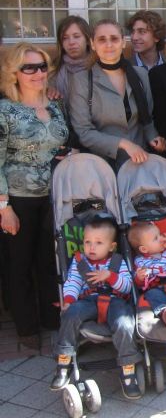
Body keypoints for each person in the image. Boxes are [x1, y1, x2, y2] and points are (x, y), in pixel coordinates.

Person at [0, 43, 70, 350]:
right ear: (14, 73)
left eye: (42, 67)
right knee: (20, 264)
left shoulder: (54, 104)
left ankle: (52, 319)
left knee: (48, 260)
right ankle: (26, 326)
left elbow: (58, 143)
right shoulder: (5, 110)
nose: (37, 73)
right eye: (29, 67)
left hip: (53, 195)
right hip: (18, 198)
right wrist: (4, 207)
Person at [49, 217, 142, 399]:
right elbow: (73, 282)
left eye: (98, 243)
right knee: (70, 314)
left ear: (111, 246)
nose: (91, 247)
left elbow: (126, 286)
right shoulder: (80, 261)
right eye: (87, 242)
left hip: (115, 301)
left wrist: (110, 276)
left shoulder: (118, 261)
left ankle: (128, 369)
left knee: (124, 323)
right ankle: (64, 362)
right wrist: (69, 300)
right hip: (89, 300)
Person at [69, 19, 165, 167]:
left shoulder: (140, 75)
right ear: (93, 44)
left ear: (123, 42)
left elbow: (147, 119)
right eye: (102, 40)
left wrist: (154, 138)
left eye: (114, 39)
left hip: (139, 163)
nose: (109, 45)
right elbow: (84, 132)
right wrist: (124, 144)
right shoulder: (82, 80)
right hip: (102, 165)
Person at [50, 16, 92, 102]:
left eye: (76, 36)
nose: (71, 42)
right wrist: (48, 90)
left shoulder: (99, 67)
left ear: (87, 40)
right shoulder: (53, 69)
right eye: (65, 38)